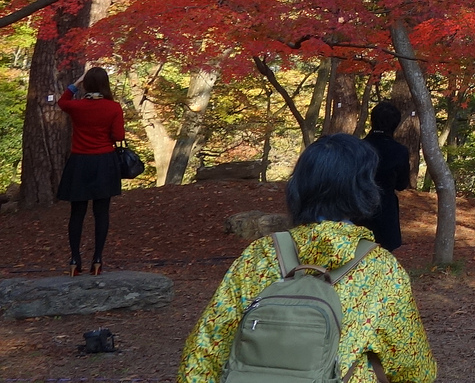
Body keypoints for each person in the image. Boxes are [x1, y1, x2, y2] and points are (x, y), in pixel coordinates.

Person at [176, 135, 436, 383]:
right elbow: (412, 366)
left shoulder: (258, 256)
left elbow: (205, 348)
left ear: (298, 186)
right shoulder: (380, 269)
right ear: (364, 189)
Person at [53, 66, 127, 276]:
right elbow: (118, 135)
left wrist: (75, 84)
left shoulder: (77, 107)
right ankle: (97, 260)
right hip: (104, 162)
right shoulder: (113, 108)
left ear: (86, 84)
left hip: (79, 163)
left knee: (77, 213)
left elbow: (62, 101)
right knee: (101, 213)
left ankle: (75, 260)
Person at [364, 102, 410, 251]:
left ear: (372, 121)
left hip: (358, 207)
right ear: (396, 124)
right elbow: (401, 184)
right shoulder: (399, 151)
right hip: (385, 209)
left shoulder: (357, 147)